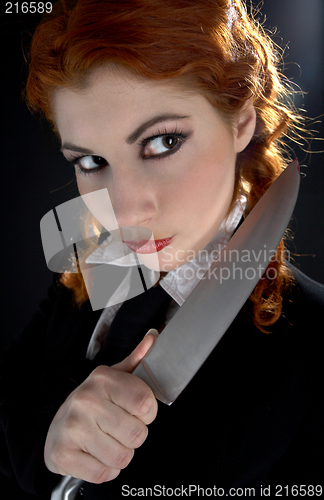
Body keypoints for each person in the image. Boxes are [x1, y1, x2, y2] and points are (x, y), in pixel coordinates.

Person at [1, 0, 323, 499]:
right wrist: (51, 447)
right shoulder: (95, 266)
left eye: (162, 142)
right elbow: (10, 403)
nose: (125, 212)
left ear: (240, 118)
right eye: (90, 161)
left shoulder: (315, 348)